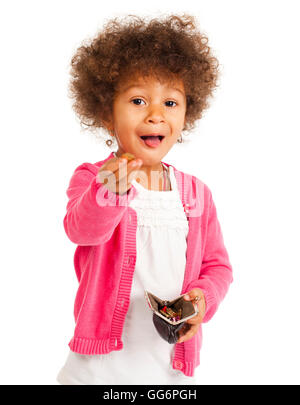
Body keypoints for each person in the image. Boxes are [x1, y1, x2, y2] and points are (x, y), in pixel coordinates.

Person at [56, 13, 233, 385]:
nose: (155, 115)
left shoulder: (197, 193)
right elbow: (82, 231)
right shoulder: (93, 179)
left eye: (171, 103)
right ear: (106, 113)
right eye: (138, 100)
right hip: (98, 370)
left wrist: (201, 299)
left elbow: (218, 267)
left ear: (188, 113)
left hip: (170, 368)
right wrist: (112, 190)